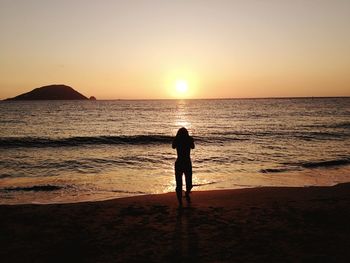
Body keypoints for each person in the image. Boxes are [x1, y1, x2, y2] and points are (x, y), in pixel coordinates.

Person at [172, 127, 195, 206]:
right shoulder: (189, 139)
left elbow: (173, 146)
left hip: (179, 163)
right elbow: (193, 147)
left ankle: (180, 202)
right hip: (187, 162)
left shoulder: (177, 140)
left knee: (179, 183)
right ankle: (186, 193)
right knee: (188, 182)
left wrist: (176, 138)